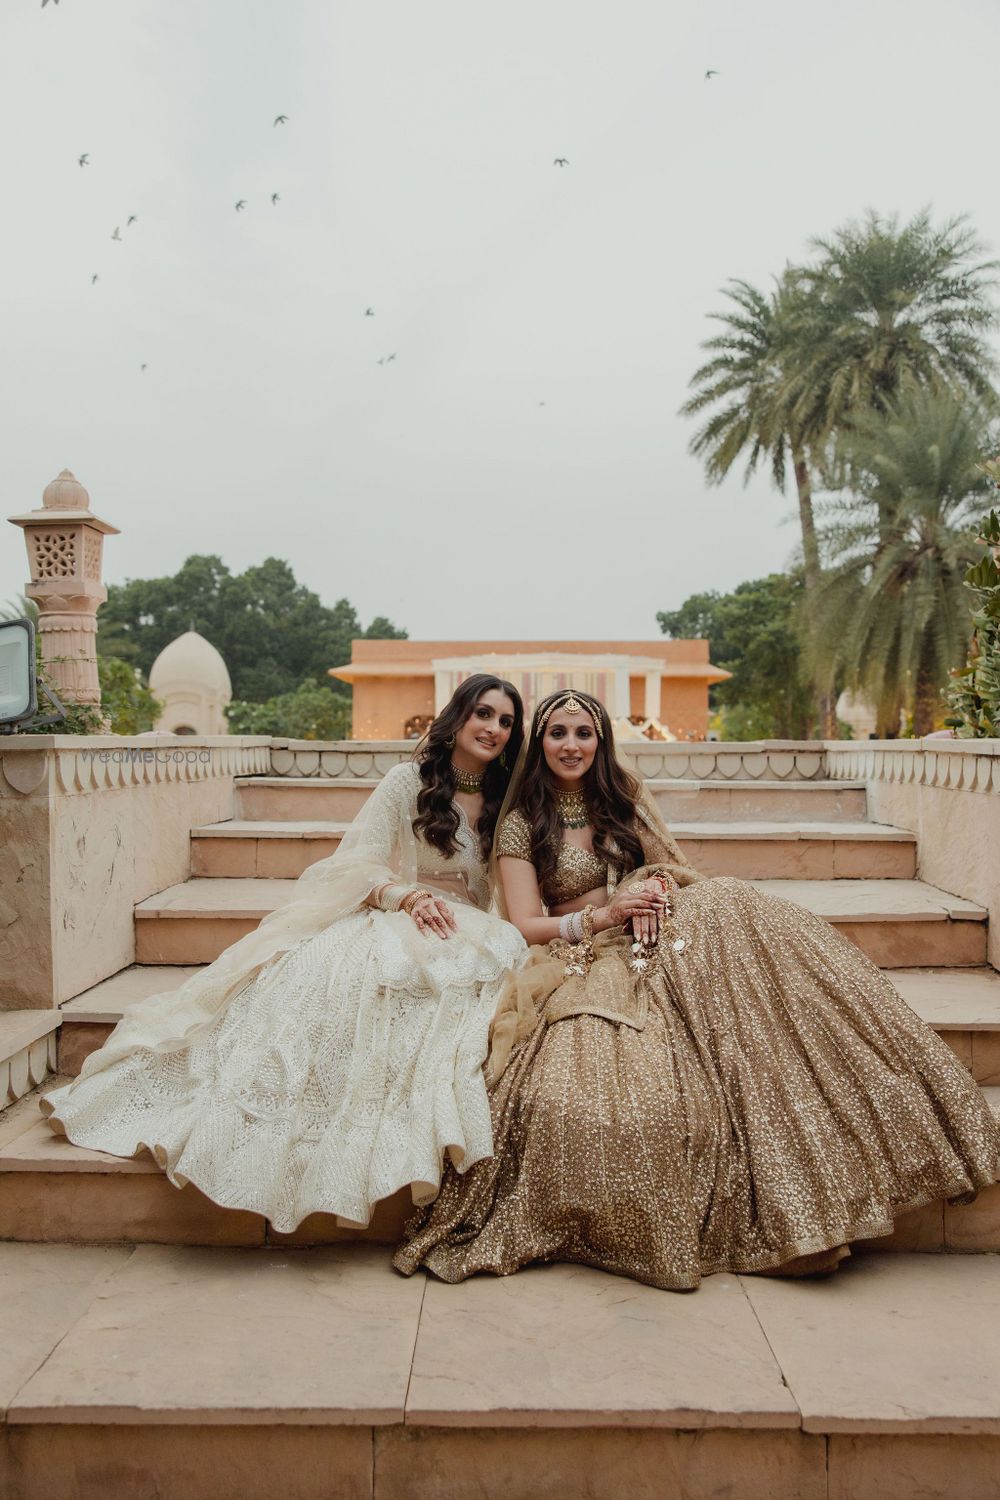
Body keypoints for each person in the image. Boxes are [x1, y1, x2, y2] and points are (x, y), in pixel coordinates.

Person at [394, 689, 1000, 1291]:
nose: (571, 745)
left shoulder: (621, 797)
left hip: (656, 927)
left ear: (601, 740)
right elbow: (523, 925)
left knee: (733, 912)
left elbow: (670, 866)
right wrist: (607, 916)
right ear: (541, 742)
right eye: (558, 734)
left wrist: (650, 888)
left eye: (584, 733)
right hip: (581, 948)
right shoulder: (523, 822)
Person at [43, 675, 527, 1233]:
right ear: (459, 717)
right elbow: (356, 862)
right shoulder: (408, 782)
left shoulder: (507, 799)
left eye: (506, 721)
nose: (493, 729)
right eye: (484, 714)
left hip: (475, 932)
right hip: (401, 914)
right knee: (334, 988)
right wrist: (406, 894)